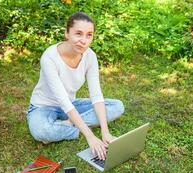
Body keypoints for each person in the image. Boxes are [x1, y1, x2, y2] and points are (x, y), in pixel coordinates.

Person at [26, 12, 124, 160]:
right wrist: (90, 136)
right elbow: (62, 100)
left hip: (71, 106)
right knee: (41, 131)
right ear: (67, 33)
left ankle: (66, 125)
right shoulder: (50, 57)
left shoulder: (90, 56)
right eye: (78, 34)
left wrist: (105, 132)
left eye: (89, 35)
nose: (83, 41)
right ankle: (77, 125)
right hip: (43, 106)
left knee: (117, 106)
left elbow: (96, 95)